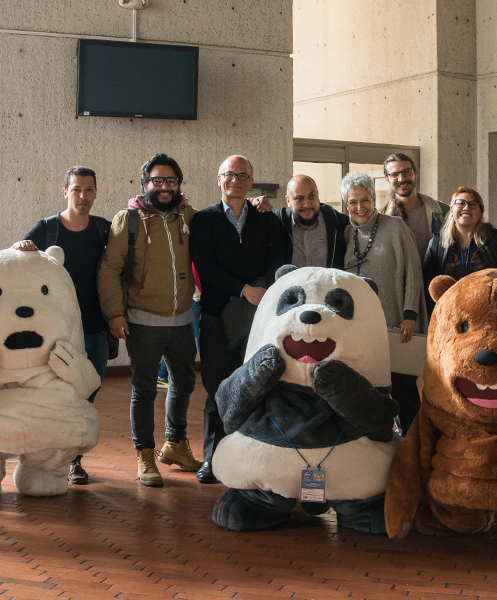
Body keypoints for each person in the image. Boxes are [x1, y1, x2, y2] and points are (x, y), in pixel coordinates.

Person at [98, 153, 203, 487]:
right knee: (144, 390)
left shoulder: (188, 216)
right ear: (145, 184)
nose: (164, 187)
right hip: (142, 321)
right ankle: (144, 453)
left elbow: (219, 225)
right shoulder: (127, 219)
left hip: (182, 320)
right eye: (157, 180)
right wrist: (114, 313)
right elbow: (110, 270)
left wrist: (257, 204)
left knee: (184, 383)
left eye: (171, 181)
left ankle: (175, 444)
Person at [190, 154, 285, 484]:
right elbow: (204, 267)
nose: (235, 180)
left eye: (243, 175)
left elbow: (278, 259)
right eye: (229, 175)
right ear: (219, 179)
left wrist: (261, 290)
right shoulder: (203, 221)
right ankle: (212, 458)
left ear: (251, 182)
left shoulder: (267, 219)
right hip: (216, 316)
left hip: (257, 319)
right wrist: (244, 289)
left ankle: (250, 454)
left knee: (256, 387)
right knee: (217, 388)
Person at [19, 166, 111, 486]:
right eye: (76, 190)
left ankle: (72, 459)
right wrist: (21, 249)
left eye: (89, 189)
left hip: (96, 329)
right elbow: (15, 260)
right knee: (56, 396)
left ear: (96, 192)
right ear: (65, 193)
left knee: (87, 395)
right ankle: (46, 458)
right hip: (57, 332)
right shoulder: (47, 229)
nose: (83, 196)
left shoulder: (103, 229)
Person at [341, 171, 423, 433]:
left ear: (374, 199)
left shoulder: (395, 226)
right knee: (370, 391)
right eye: (353, 202)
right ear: (346, 205)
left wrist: (410, 314)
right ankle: (380, 444)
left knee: (404, 391)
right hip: (362, 329)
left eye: (365, 200)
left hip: (396, 324)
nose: (360, 207)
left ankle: (414, 443)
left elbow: (413, 271)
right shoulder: (348, 234)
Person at [422, 187, 497, 306]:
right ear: (451, 209)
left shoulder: (496, 239)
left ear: (480, 213)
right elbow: (428, 284)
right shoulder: (437, 243)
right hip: (450, 311)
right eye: (460, 203)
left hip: (489, 309)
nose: (466, 208)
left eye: (473, 205)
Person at [381, 153, 449, 263]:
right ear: (387, 178)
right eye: (394, 175)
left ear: (415, 172)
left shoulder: (442, 210)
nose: (401, 179)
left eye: (406, 172)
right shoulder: (382, 219)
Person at [275, 174, 348, 269]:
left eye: (312, 196)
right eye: (299, 199)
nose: (306, 204)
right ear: (288, 201)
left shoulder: (339, 224)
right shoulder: (278, 226)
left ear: (318, 196)